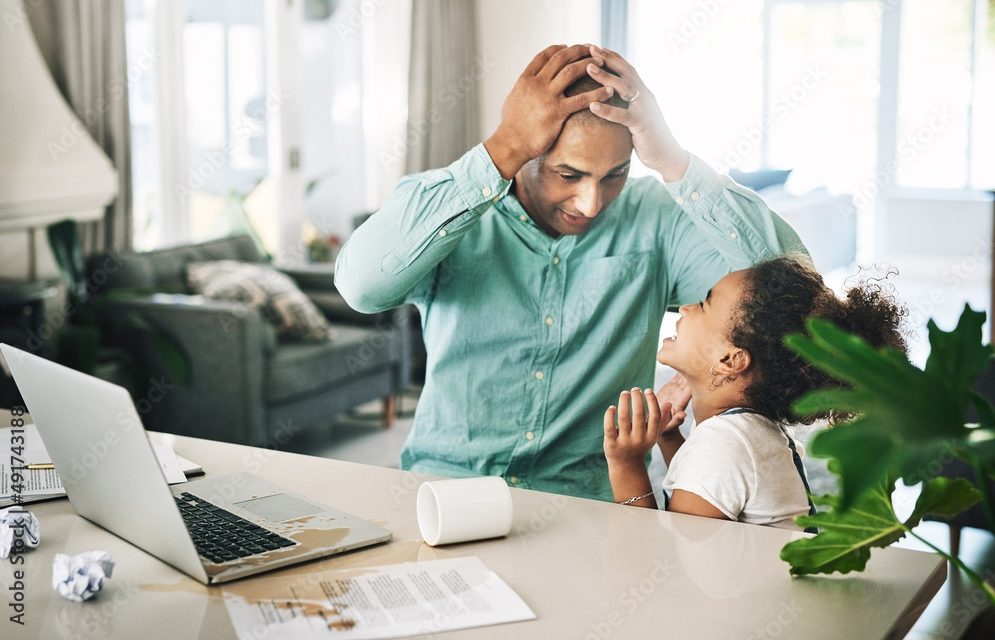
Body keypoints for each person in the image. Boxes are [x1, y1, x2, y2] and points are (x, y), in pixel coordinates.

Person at [335, 43, 805, 501]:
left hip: (592, 505)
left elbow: (794, 289)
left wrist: (672, 160)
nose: (591, 203)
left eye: (614, 175)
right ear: (525, 154)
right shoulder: (450, 206)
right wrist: (505, 145)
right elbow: (361, 287)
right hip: (446, 494)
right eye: (568, 175)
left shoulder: (657, 219)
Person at [603, 256, 906, 528]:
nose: (685, 308)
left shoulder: (724, 444)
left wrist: (626, 465)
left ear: (730, 360)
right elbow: (707, 487)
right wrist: (669, 439)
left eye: (704, 305)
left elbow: (669, 561)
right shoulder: (740, 432)